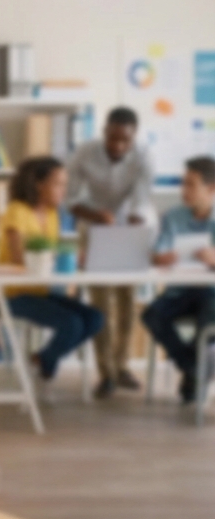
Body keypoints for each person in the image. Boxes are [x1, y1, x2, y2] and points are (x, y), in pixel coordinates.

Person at [65, 106, 154, 397]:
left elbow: (142, 200)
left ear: (133, 137)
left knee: (127, 300)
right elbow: (70, 199)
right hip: (93, 225)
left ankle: (122, 365)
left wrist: (134, 225)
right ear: (104, 131)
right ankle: (106, 374)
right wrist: (96, 216)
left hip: (128, 225)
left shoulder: (144, 156)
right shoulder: (84, 153)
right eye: (112, 138)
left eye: (124, 140)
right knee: (100, 302)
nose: (117, 145)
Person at [0, 156, 104, 384]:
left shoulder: (53, 215)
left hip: (40, 292)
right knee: (72, 324)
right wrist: (53, 255)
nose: (63, 190)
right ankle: (47, 362)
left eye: (65, 184)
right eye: (58, 184)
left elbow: (49, 255)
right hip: (14, 294)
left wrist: (75, 257)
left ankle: (43, 357)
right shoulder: (17, 211)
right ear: (39, 184)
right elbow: (20, 259)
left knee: (95, 318)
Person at [141, 156, 215, 404]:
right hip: (179, 291)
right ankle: (193, 369)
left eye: (191, 185)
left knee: (211, 316)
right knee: (152, 315)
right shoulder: (173, 216)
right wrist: (161, 258)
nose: (184, 190)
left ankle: (193, 373)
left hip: (211, 291)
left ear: (211, 188)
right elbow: (157, 253)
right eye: (183, 183)